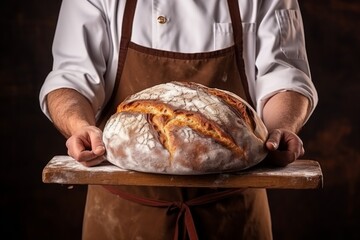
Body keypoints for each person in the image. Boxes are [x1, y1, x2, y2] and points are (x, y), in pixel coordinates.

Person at [39, 0, 318, 239]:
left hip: (232, 214)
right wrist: (79, 125)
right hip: (122, 215)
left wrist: (281, 127)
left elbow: (285, 77)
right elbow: (71, 78)